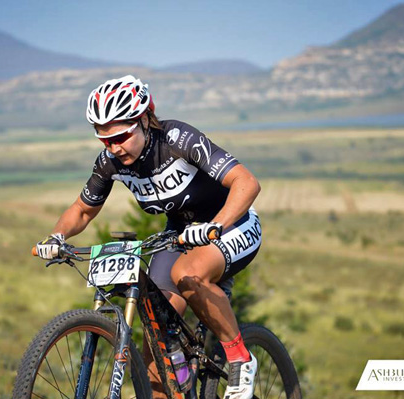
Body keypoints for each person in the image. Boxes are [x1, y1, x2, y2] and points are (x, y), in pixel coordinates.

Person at [36, 75, 262, 399]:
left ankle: (241, 358)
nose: (114, 147)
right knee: (156, 344)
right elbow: (83, 211)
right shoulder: (111, 162)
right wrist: (56, 237)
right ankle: (181, 378)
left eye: (122, 136)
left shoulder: (177, 138)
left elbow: (246, 183)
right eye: (105, 141)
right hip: (180, 234)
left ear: (143, 119)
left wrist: (217, 226)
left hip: (231, 221)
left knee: (187, 275)